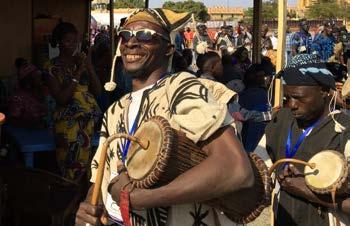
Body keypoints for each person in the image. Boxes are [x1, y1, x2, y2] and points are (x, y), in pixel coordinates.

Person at [75, 8, 254, 226]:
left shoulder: (181, 88)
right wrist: (88, 208)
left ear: (168, 49)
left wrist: (143, 198)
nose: (131, 42)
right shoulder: (115, 111)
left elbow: (235, 168)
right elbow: (100, 177)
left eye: (145, 36)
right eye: (125, 36)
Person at [265, 54, 350, 226]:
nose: (293, 105)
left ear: (324, 91)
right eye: (288, 97)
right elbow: (266, 165)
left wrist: (306, 190)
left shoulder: (344, 130)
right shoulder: (281, 119)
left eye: (300, 97)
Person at [46, 22, 102, 181]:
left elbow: (98, 92)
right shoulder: (52, 67)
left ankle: (82, 201)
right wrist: (78, 72)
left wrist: (89, 67)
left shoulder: (82, 63)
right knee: (69, 168)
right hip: (67, 124)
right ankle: (69, 202)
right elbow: (62, 99)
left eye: (75, 41)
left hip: (87, 123)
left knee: (87, 169)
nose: (73, 45)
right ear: (58, 42)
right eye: (67, 41)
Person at [7, 58, 48, 128]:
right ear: (28, 79)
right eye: (36, 76)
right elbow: (12, 119)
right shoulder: (18, 97)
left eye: (39, 75)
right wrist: (31, 124)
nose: (40, 77)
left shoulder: (45, 90)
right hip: (29, 133)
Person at [239, 64, 270, 152]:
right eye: (260, 76)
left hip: (258, 127)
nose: (262, 78)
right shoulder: (245, 93)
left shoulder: (262, 91)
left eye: (263, 76)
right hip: (251, 128)